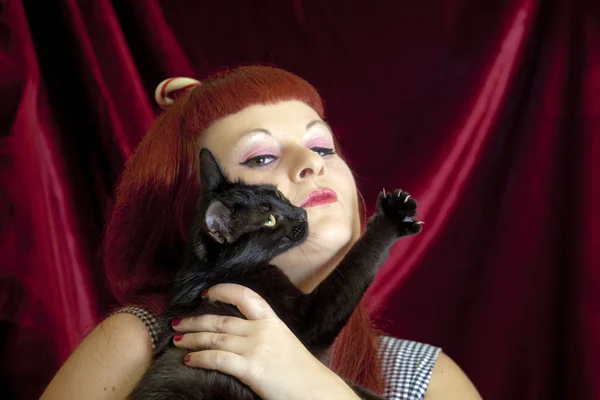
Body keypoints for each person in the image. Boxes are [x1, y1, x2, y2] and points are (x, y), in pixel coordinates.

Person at [41, 66, 481, 400]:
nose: (313, 162)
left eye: (323, 146)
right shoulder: (141, 339)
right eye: (260, 158)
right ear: (205, 218)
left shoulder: (425, 376)